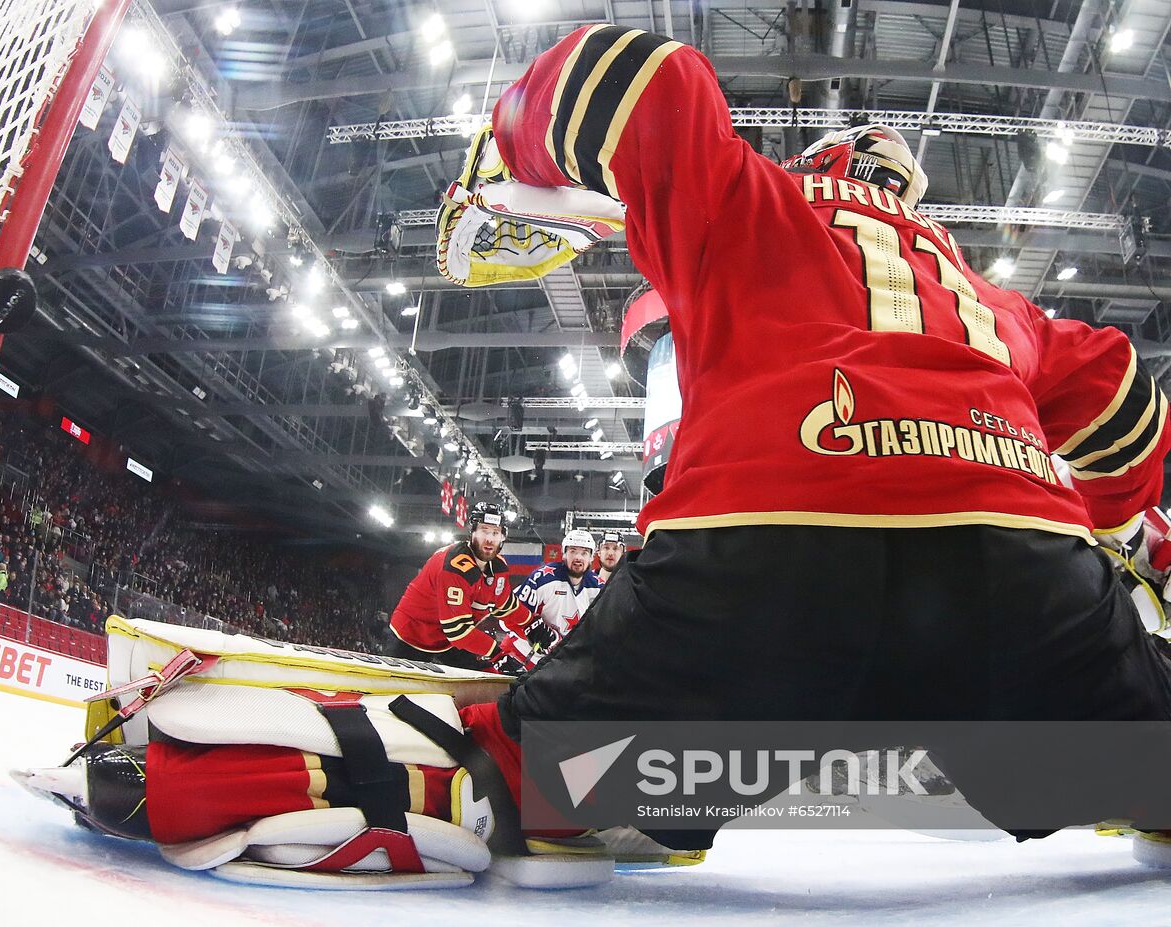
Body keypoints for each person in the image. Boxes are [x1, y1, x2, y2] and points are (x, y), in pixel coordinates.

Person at [435, 23, 1171, 856]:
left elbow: (645, 79)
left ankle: (559, 781)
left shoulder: (753, 198)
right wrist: (1101, 534)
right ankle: (1129, 771)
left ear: (816, 168)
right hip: (1023, 580)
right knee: (1144, 757)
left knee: (524, 771)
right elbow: (1126, 400)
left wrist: (513, 140)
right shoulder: (989, 301)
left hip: (756, 565)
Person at [387, 502, 541, 673]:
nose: (489, 539)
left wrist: (531, 622)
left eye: (495, 533)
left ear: (503, 537)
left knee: (485, 681)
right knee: (394, 692)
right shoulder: (454, 566)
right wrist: (497, 654)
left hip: (448, 640)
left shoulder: (499, 566)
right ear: (472, 532)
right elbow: (458, 631)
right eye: (484, 530)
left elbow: (505, 605)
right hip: (411, 636)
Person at [516, 529, 604, 645]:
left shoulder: (599, 587)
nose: (578, 557)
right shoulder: (542, 578)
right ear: (564, 554)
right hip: (527, 651)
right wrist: (533, 632)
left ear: (591, 557)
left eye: (584, 553)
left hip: (565, 657)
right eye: (572, 551)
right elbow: (514, 615)